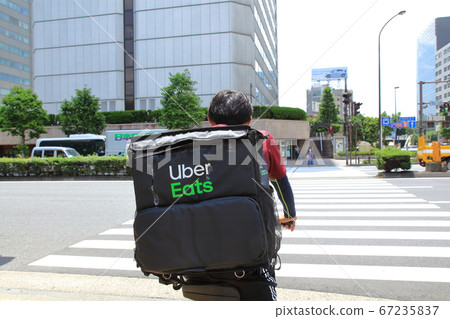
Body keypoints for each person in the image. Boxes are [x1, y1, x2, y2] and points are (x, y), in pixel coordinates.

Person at [203, 89, 297, 301]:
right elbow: (280, 181)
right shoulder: (262, 139)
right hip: (251, 250)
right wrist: (289, 215)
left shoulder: (193, 144)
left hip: (203, 252)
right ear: (250, 120)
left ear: (210, 120)